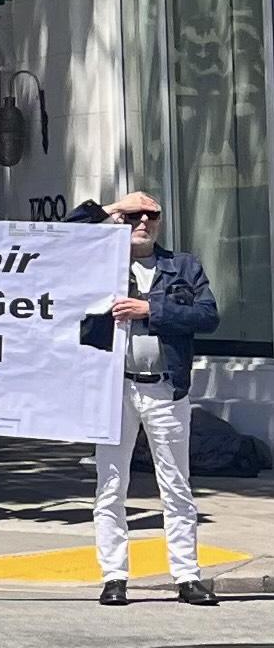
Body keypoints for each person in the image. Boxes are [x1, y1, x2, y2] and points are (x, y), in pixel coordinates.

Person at [92, 191, 220, 607]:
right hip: (114, 390)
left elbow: (207, 316)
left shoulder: (182, 266)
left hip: (165, 386)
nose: (143, 222)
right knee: (111, 484)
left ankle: (186, 575)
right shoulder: (99, 263)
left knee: (176, 484)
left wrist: (150, 309)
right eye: (133, 216)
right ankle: (114, 576)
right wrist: (110, 208)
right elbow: (58, 238)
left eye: (152, 215)